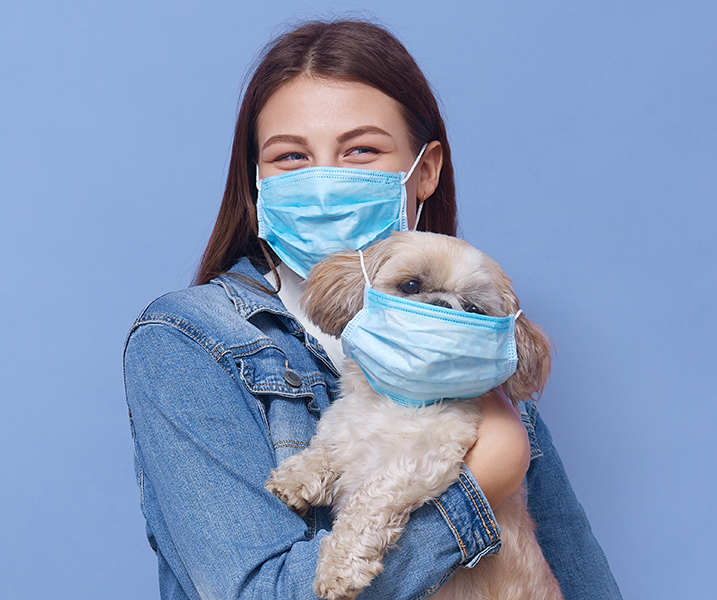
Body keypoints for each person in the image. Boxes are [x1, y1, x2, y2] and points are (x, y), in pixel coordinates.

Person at [123, 19, 622, 600]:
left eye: (360, 150)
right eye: (290, 157)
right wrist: (481, 484)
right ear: (256, 179)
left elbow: (576, 572)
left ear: (425, 170)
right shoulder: (189, 340)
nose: (325, 180)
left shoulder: (478, 342)